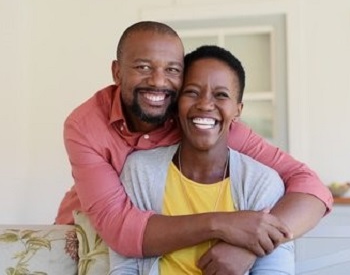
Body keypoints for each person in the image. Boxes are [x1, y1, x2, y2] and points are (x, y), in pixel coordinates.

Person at [55, 21, 332, 272]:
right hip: (84, 237)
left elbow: (311, 188)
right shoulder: (85, 126)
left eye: (172, 70)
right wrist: (223, 224)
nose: (159, 81)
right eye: (143, 67)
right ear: (117, 71)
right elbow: (121, 230)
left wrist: (252, 242)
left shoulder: (204, 124)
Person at [108, 45, 295, 275]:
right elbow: (124, 266)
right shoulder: (140, 171)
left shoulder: (261, 183)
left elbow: (276, 270)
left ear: (238, 110)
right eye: (192, 92)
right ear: (176, 104)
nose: (205, 104)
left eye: (221, 95)